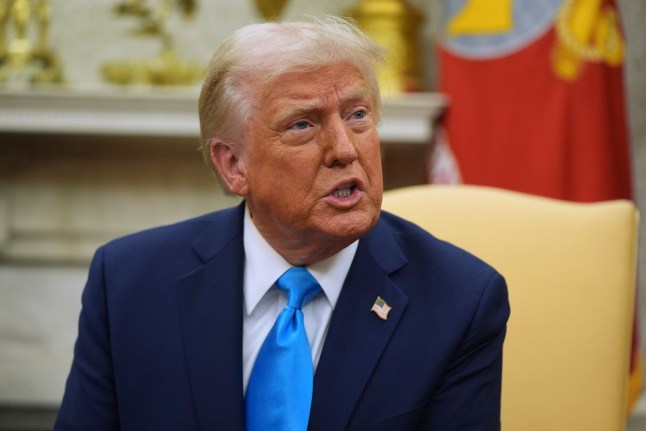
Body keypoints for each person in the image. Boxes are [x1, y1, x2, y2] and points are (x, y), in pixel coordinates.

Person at [54, 16, 510, 430]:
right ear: (234, 165)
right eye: (302, 125)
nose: (345, 149)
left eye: (357, 115)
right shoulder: (128, 283)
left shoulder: (459, 301)